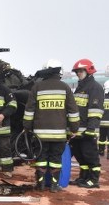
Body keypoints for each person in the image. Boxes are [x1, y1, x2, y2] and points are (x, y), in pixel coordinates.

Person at [22, 59, 79, 192]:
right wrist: (74, 129)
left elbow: (29, 111)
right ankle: (54, 186)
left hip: (40, 135)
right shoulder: (65, 88)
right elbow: (73, 111)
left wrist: (27, 127)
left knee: (41, 159)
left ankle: (40, 185)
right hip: (59, 135)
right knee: (56, 159)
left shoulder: (37, 87)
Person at [70, 58, 105, 188]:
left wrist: (91, 128)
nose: (78, 73)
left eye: (81, 71)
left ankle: (93, 180)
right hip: (77, 130)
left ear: (88, 71)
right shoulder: (80, 87)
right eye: (77, 71)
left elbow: (95, 110)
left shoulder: (95, 87)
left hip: (87, 130)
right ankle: (83, 177)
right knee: (80, 155)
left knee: (90, 156)